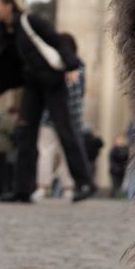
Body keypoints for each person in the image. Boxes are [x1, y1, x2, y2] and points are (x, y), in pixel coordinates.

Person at [0, 0, 94, 203]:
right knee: (25, 132)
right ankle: (23, 189)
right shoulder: (2, 30)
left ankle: (84, 182)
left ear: (8, 6)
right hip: (32, 85)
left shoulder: (31, 21)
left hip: (53, 83)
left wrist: (71, 65)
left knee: (65, 130)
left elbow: (57, 39)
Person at [36, 63, 86, 199]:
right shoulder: (78, 66)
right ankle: (67, 187)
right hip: (69, 117)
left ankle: (43, 186)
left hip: (51, 115)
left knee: (46, 152)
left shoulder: (50, 64)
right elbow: (79, 93)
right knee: (65, 153)